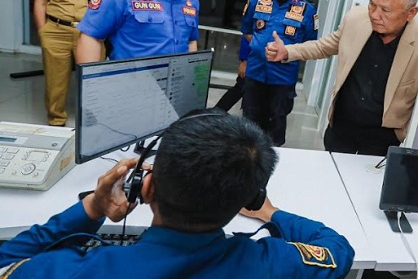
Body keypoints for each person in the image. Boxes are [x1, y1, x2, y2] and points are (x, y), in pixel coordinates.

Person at [0, 110, 355, 278]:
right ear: (247, 198)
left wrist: (92, 206)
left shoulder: (80, 272)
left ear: (147, 187)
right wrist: (270, 213)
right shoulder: (274, 264)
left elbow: (6, 261)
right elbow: (338, 250)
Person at [266, 0, 418, 156]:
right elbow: (324, 46)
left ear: (411, 13)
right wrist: (287, 52)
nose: (374, 14)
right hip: (340, 130)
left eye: (385, 10)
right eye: (372, 3)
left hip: (383, 144)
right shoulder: (355, 18)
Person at [25, 0, 110, 126]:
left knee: (92, 80)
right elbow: (40, 1)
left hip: (89, 35)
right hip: (56, 31)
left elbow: (109, 11)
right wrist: (43, 31)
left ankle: (90, 121)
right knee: (55, 82)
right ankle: (56, 121)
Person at [241, 0, 318, 146]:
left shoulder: (307, 10)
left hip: (283, 81)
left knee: (275, 131)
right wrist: (260, 50)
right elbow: (248, 31)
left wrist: (285, 53)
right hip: (255, 75)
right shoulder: (257, 0)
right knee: (248, 129)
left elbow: (309, 46)